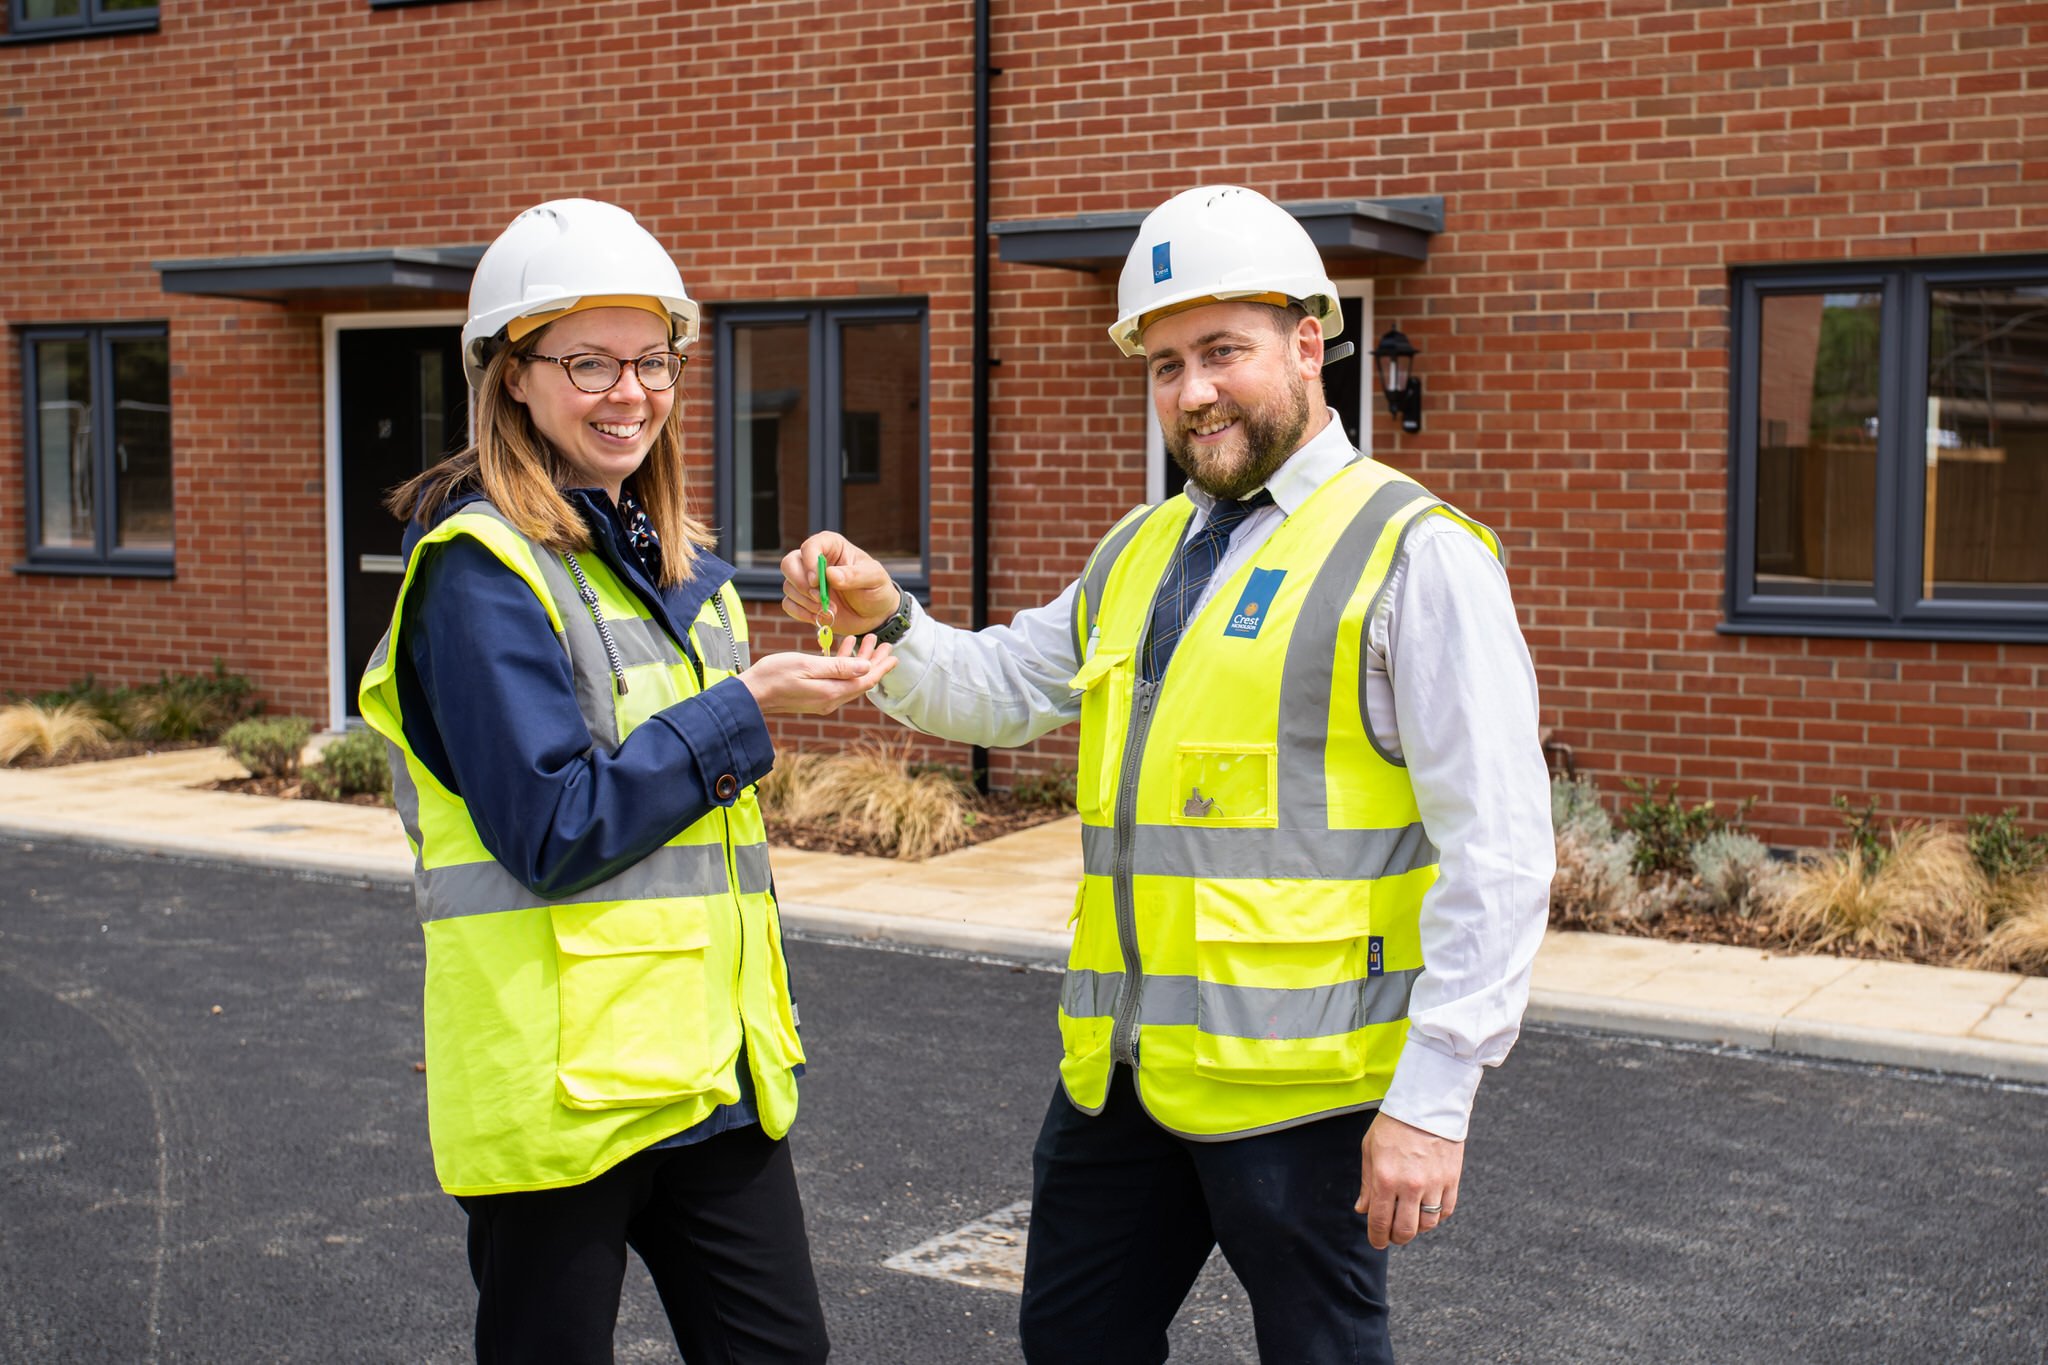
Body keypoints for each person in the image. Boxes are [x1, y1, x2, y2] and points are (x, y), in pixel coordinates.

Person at [780, 184, 1552, 1363]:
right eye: (1164, 362)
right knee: (1073, 1343)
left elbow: (1497, 850)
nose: (1191, 392)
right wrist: (889, 620)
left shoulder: (1415, 554)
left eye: (1221, 352)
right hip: (1123, 1077)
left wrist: (1431, 1101)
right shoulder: (1141, 549)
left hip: (1305, 1099)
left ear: (1308, 344)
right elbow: (1000, 689)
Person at [360, 198, 892, 1365]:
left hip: (713, 1079)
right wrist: (745, 707)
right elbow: (552, 827)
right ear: (510, 377)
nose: (629, 393)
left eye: (651, 361)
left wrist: (818, 594)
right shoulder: (478, 571)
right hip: (562, 1102)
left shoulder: (673, 561)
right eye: (587, 362)